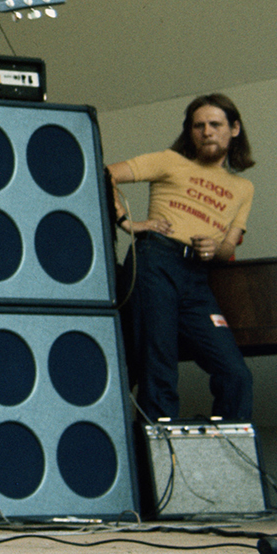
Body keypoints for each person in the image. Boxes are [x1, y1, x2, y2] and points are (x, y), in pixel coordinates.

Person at [109, 93, 256, 423]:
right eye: (198, 125)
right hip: (155, 260)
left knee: (237, 375)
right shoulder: (170, 161)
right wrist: (127, 222)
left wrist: (214, 249)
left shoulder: (243, 187)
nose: (206, 131)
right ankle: (162, 472)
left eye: (215, 124)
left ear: (234, 129)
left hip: (197, 276)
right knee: (159, 370)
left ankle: (220, 468)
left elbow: (229, 246)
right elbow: (106, 173)